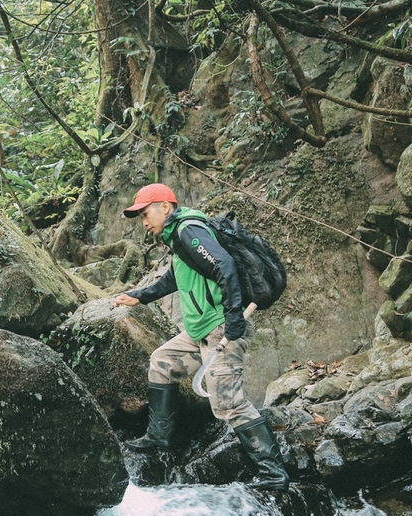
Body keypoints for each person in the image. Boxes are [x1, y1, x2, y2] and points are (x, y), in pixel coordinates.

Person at [112, 183, 289, 491]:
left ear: (165, 207)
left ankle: (273, 472)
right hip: (200, 331)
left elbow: (224, 265)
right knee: (162, 362)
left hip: (221, 329)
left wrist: (233, 317)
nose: (144, 222)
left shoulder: (188, 230)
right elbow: (174, 278)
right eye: (140, 217)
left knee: (227, 403)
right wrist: (139, 296)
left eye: (145, 214)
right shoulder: (177, 238)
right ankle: (159, 437)